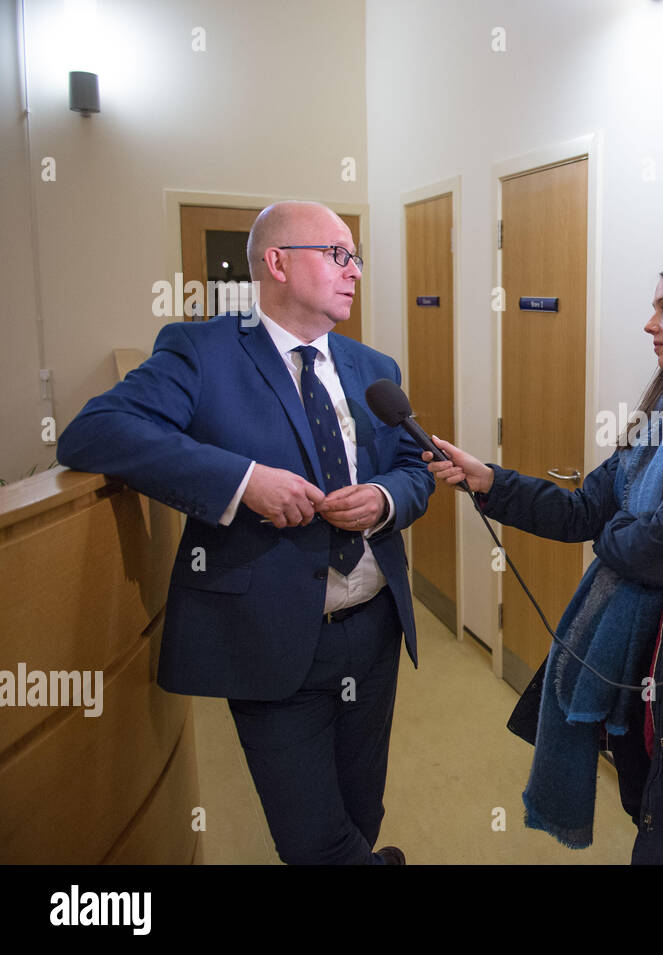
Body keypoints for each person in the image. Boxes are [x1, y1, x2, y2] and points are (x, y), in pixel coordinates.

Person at [57, 201, 437, 865]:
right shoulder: (202, 350)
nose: (354, 272)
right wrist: (242, 481)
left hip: (373, 628)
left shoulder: (373, 366)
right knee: (312, 840)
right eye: (337, 254)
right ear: (278, 262)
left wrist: (382, 497)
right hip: (270, 637)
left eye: (357, 258)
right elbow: (95, 431)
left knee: (358, 810)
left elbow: (415, 467)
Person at [426, 257, 663, 863]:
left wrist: (623, 529)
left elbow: (653, 551)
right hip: (633, 678)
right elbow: (585, 511)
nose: (650, 324)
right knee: (648, 815)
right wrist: (490, 481)